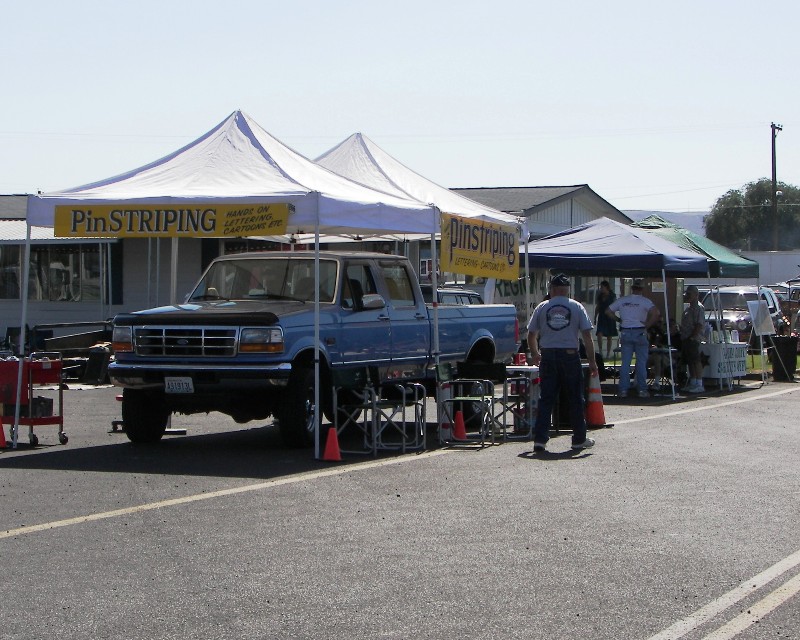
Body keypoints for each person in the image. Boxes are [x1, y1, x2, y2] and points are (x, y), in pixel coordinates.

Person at [527, 273, 598, 453]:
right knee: (575, 398)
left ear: (551, 290)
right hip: (569, 355)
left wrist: (535, 353)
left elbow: (531, 334)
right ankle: (578, 439)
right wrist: (592, 361)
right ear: (567, 291)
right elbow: (587, 336)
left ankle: (540, 440)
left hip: (548, 355)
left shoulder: (542, 307)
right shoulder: (576, 306)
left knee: (546, 399)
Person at [606, 279, 661, 398]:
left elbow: (608, 311)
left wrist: (619, 320)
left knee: (625, 363)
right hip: (640, 331)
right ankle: (642, 390)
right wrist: (647, 324)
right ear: (641, 289)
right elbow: (656, 313)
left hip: (626, 331)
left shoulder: (623, 300)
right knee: (641, 363)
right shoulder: (645, 301)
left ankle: (623, 390)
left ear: (632, 288)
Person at [680, 284, 706, 394]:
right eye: (686, 293)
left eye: (689, 294)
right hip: (685, 338)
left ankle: (699, 384)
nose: (687, 296)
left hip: (693, 338)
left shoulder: (699, 308)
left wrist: (692, 337)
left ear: (696, 295)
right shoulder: (688, 308)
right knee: (689, 361)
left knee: (695, 360)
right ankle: (693, 382)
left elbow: (699, 324)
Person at [594, 280, 618, 359]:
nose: (601, 289)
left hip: (610, 317)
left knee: (609, 336)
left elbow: (615, 306)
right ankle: (600, 351)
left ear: (606, 287)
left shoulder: (612, 296)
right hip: (602, 317)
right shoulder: (600, 296)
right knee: (599, 334)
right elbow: (597, 307)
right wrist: (595, 317)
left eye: (602, 287)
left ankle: (608, 353)